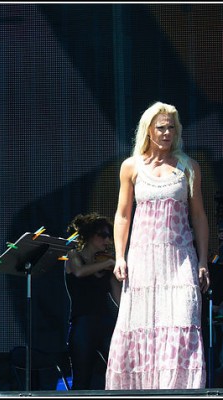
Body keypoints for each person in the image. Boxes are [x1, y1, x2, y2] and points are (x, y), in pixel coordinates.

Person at [105, 101, 210, 390]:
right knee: (141, 325)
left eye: (171, 127)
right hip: (143, 259)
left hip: (179, 259)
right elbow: (123, 214)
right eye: (161, 127)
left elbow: (198, 216)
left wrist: (202, 260)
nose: (167, 133)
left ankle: (179, 392)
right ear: (149, 130)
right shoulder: (132, 167)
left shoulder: (189, 167)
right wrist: (119, 256)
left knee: (182, 321)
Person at [64, 212, 121, 390]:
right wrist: (109, 262)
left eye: (109, 236)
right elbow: (79, 272)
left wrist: (119, 273)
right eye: (103, 235)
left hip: (106, 323)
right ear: (89, 235)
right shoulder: (73, 255)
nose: (107, 241)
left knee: (118, 371)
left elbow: (119, 299)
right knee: (82, 379)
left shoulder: (106, 264)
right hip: (82, 324)